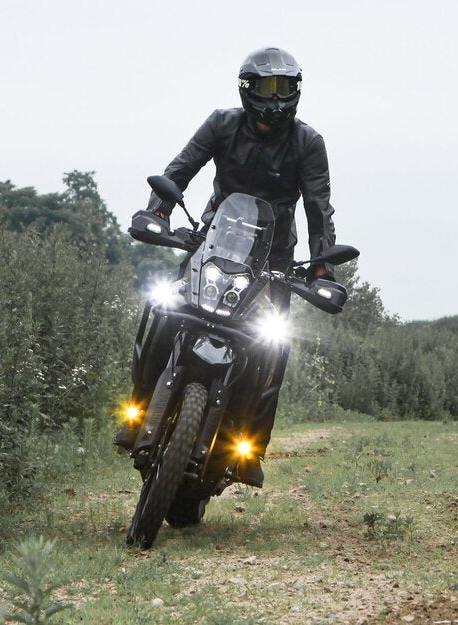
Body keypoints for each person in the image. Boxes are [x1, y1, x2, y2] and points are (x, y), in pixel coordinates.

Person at [122, 47, 337, 488]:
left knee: (274, 346)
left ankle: (252, 448)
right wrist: (158, 211)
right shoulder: (222, 124)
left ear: (297, 90)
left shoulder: (308, 143)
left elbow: (319, 208)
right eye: (266, 87)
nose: (275, 97)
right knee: (166, 310)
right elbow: (180, 169)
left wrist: (321, 269)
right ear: (247, 88)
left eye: (284, 87)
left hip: (274, 260)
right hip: (213, 244)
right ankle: (138, 411)